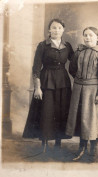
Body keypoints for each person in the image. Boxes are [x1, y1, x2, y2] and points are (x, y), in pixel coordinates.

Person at [22, 18, 74, 152]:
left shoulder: (67, 46)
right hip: (46, 81)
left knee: (61, 111)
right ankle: (44, 144)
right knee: (46, 112)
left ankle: (58, 144)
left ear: (63, 30)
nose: (56, 30)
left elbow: (74, 64)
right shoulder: (42, 45)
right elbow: (36, 68)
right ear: (49, 30)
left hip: (63, 82)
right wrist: (37, 87)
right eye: (54, 27)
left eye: (59, 28)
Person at [66, 27, 98, 162]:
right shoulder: (79, 52)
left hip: (93, 92)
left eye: (91, 35)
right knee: (81, 119)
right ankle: (81, 148)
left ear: (97, 37)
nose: (87, 38)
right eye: (85, 35)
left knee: (92, 120)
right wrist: (81, 81)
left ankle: (93, 150)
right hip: (78, 90)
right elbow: (72, 69)